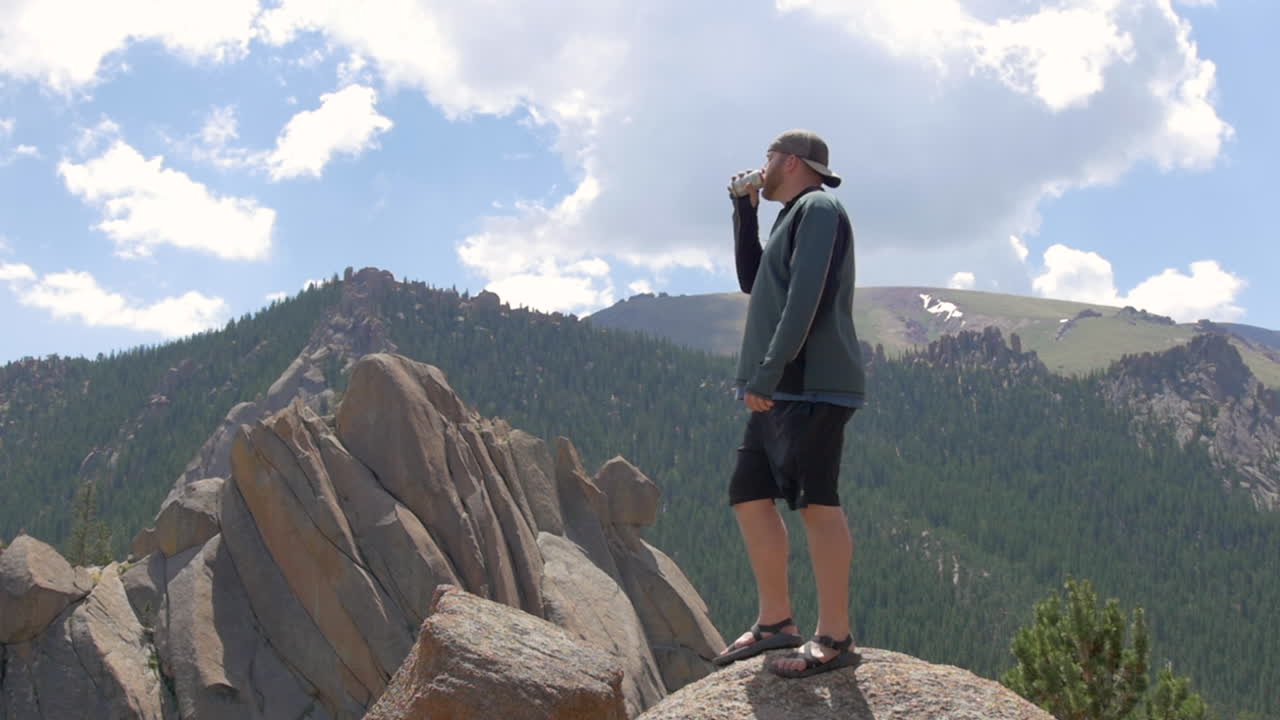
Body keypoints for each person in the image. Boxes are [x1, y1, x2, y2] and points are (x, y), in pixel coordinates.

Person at [712, 129, 866, 679]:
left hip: (810, 384)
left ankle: (836, 637)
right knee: (749, 494)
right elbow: (755, 280)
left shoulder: (820, 208)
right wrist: (743, 211)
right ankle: (777, 623)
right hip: (784, 387)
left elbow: (808, 296)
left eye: (769, 158)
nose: (763, 166)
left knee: (816, 503)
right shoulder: (791, 215)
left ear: (793, 162)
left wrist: (770, 371)